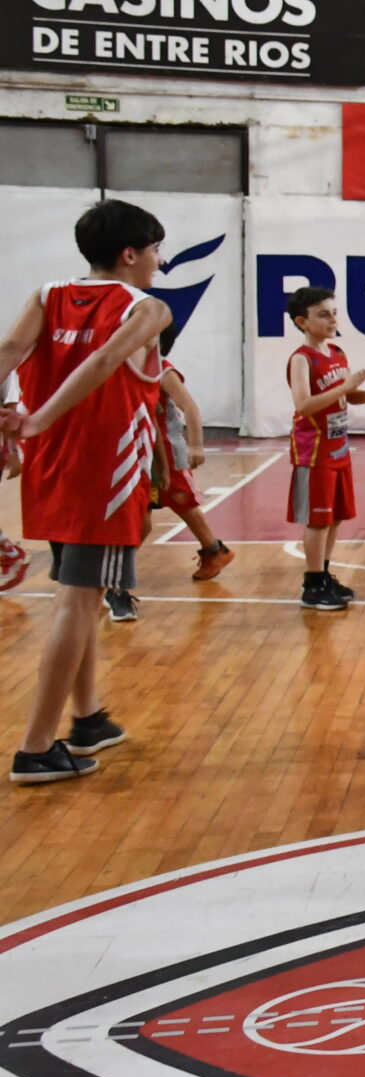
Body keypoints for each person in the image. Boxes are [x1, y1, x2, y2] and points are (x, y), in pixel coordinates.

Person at [0, 200, 171, 782]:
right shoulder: (147, 308)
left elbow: (8, 353)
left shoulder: (46, 295)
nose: (160, 261)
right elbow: (103, 361)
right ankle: (35, 748)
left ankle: (88, 717)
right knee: (76, 604)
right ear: (130, 254)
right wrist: (39, 419)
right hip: (104, 473)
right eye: (155, 250)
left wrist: (19, 418)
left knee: (85, 596)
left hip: (52, 471)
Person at [283, 287, 365, 611]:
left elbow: (345, 397)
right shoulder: (301, 359)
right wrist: (345, 386)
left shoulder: (337, 352)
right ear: (302, 322)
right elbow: (303, 404)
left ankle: (324, 574)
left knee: (334, 518)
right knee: (318, 520)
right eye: (323, 314)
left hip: (338, 448)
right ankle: (312, 584)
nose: (332, 320)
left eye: (334, 313)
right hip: (314, 451)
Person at [121, 333, 232, 619]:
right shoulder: (128, 366)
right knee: (154, 507)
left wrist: (196, 445)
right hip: (143, 448)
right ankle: (213, 549)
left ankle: (214, 550)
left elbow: (190, 408)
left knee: (182, 500)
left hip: (169, 450)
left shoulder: (163, 370)